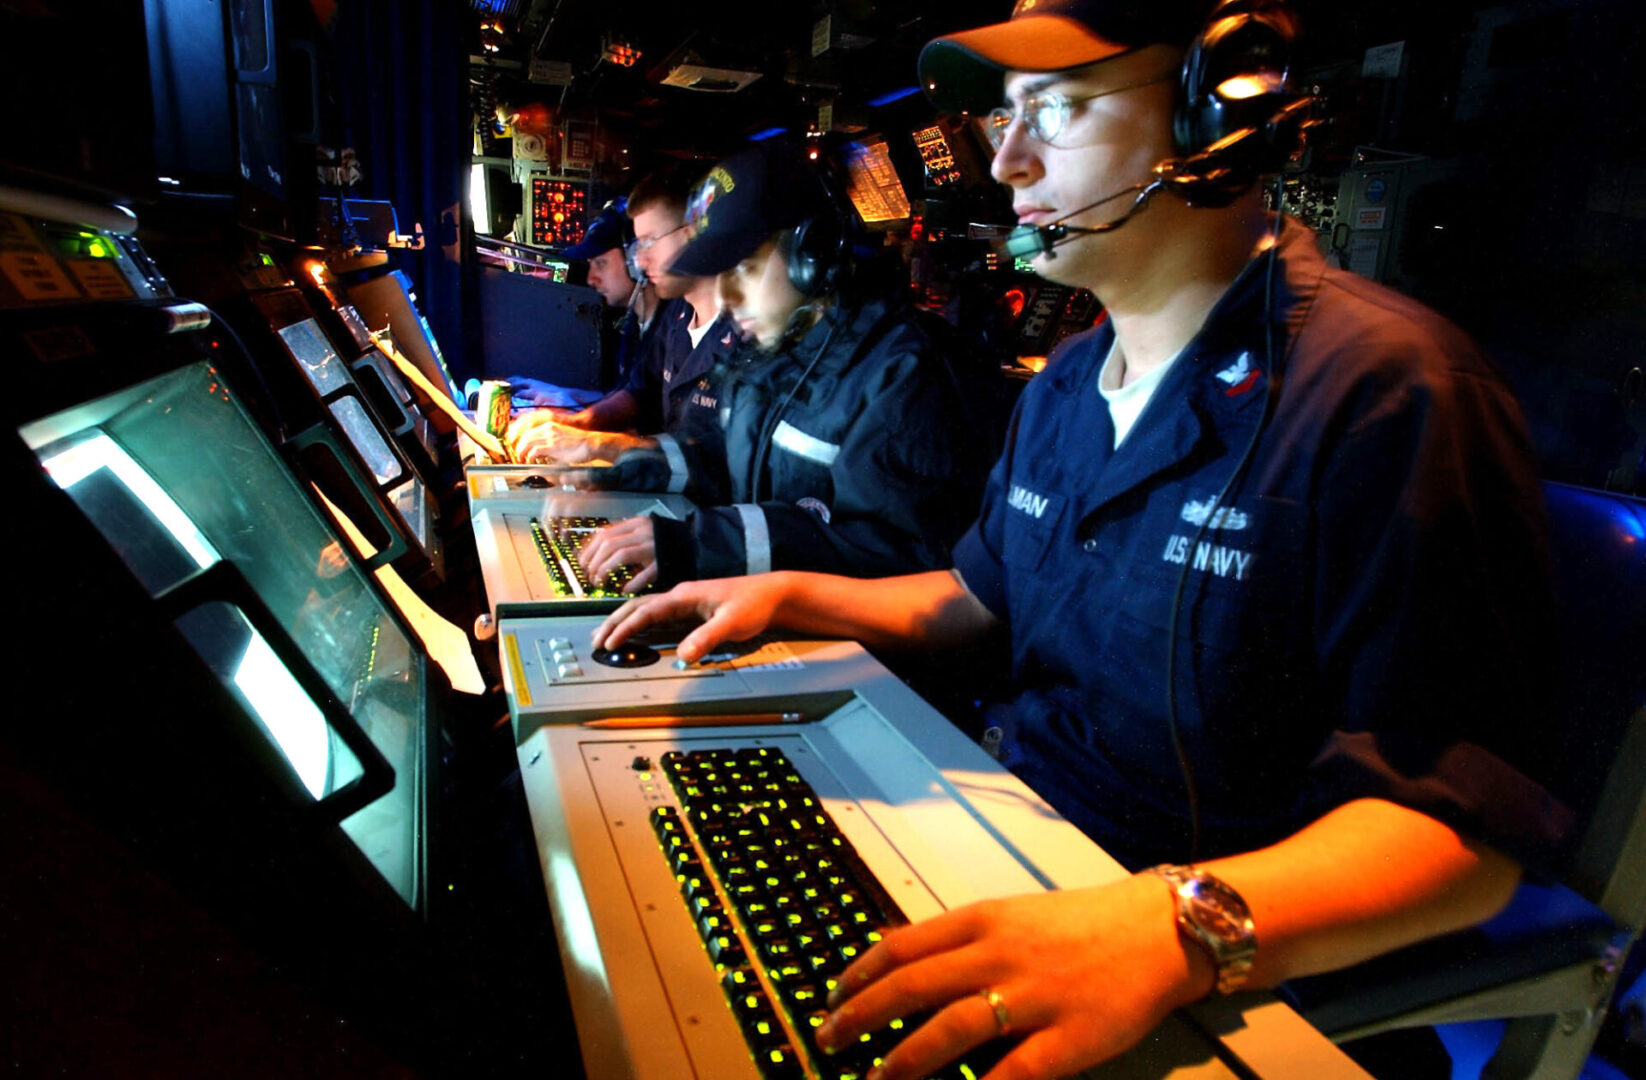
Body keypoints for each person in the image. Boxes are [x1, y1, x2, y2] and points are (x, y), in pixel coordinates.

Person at [590, 3, 1566, 1078]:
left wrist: (1170, 928)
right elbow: (974, 597)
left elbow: (1462, 839)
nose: (1004, 160)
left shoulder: (1389, 394)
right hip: (1012, 841)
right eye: (1007, 119)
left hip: (1213, 956)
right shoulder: (1061, 388)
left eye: (1053, 112)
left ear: (1210, 115)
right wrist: (784, 594)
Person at [573, 141, 1002, 595]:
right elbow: (719, 462)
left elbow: (904, 559)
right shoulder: (771, 354)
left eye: (745, 269)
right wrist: (619, 465)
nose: (728, 298)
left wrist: (705, 543)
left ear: (810, 251)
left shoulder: (906, 374)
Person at [508, 163, 739, 457]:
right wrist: (570, 423)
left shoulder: (745, 332)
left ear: (693, 233)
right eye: (636, 248)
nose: (640, 262)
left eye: (649, 243)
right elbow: (638, 393)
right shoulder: (676, 317)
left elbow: (712, 461)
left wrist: (597, 444)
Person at [507, 199, 660, 406]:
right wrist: (561, 394)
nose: (591, 279)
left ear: (635, 261)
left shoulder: (667, 332)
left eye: (601, 263)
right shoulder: (635, 323)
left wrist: (577, 417)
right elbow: (619, 398)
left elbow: (645, 421)